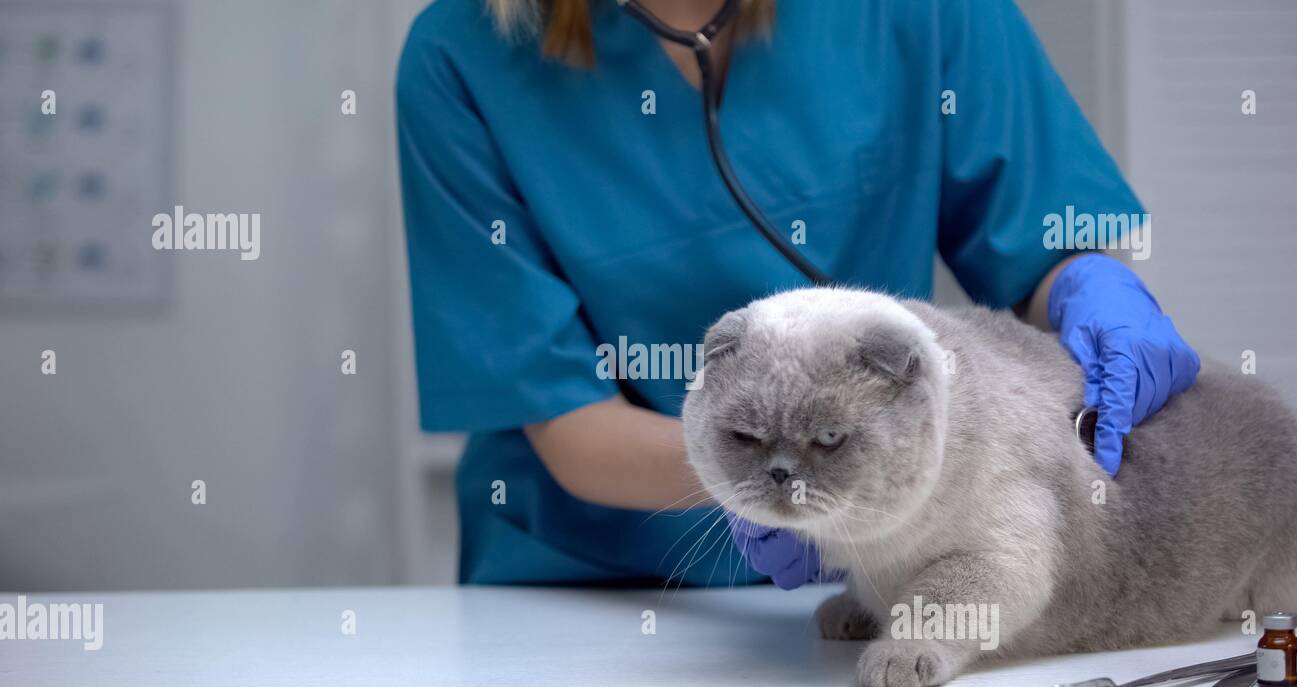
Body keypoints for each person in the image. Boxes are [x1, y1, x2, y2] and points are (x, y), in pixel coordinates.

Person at [396, 0, 1199, 586]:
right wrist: (811, 477)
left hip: (881, 565)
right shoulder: (460, 57)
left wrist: (1090, 287)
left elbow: (1040, 245)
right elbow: (570, 424)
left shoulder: (924, 14)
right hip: (581, 590)